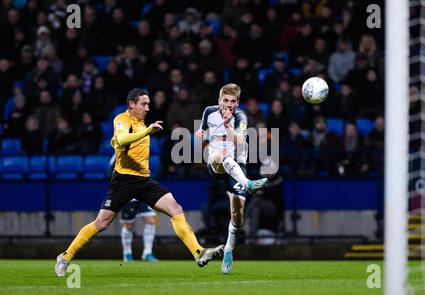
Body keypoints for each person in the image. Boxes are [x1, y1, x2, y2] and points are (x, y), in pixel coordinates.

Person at [55, 88, 223, 277]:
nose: (147, 107)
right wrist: (146, 132)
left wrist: (143, 132)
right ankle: (65, 257)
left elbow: (121, 143)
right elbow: (122, 138)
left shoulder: (142, 124)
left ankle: (198, 253)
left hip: (143, 181)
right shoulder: (122, 119)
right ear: (131, 104)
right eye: (143, 103)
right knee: (101, 223)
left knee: (176, 208)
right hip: (124, 180)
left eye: (148, 104)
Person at [195, 83, 268, 275]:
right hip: (217, 165)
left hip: (238, 166)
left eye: (232, 102)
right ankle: (248, 184)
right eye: (225, 100)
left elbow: (239, 141)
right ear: (219, 100)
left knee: (237, 216)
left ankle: (228, 249)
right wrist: (200, 136)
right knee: (219, 156)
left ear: (237, 103)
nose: (228, 105)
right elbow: (202, 134)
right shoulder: (209, 112)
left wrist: (227, 125)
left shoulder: (240, 117)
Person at [108, 154, 159, 262]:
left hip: (143, 190)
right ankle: (127, 253)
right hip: (128, 192)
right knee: (129, 225)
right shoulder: (120, 152)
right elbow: (111, 171)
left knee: (151, 219)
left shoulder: (142, 149)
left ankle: (147, 252)